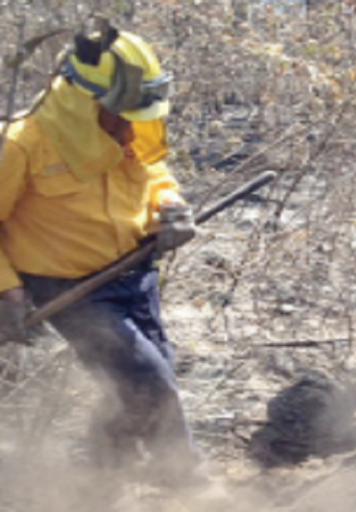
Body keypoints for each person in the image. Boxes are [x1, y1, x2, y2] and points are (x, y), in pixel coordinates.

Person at [0, 28, 203, 487]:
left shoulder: (131, 121)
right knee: (151, 383)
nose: (131, 125)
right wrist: (7, 290)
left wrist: (169, 209)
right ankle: (194, 486)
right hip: (70, 288)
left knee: (146, 378)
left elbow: (154, 173)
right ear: (81, 99)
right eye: (120, 113)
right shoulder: (20, 144)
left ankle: (99, 476)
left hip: (135, 270)